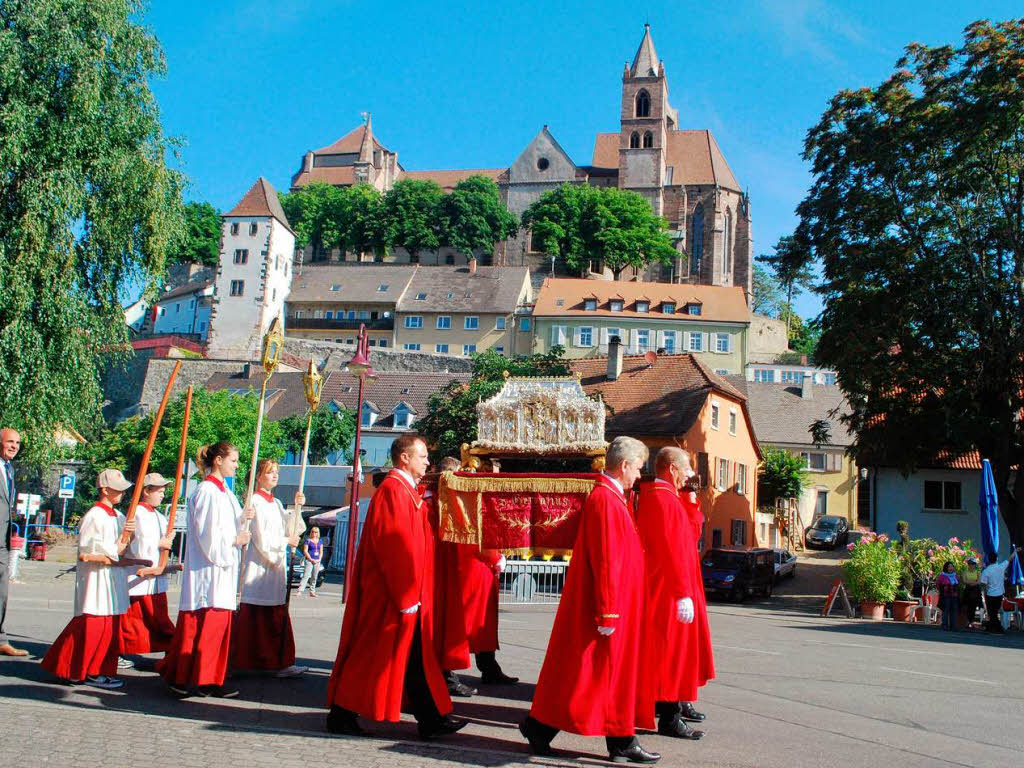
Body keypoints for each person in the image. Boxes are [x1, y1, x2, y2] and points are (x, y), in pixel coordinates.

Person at [521, 436, 659, 765]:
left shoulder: (610, 498)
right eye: (638, 468)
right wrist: (609, 612)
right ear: (624, 466)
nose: (639, 476)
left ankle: (549, 729)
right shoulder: (606, 500)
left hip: (614, 605)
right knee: (595, 675)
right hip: (610, 608)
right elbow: (608, 559)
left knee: (591, 676)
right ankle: (618, 739)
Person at [326, 434, 465, 740]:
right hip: (391, 595)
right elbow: (394, 546)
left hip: (405, 594)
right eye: (422, 456)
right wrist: (406, 595)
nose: (427, 461)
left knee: (413, 659)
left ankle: (432, 719)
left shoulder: (405, 491)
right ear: (405, 458)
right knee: (373, 656)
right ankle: (342, 712)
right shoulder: (393, 490)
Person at [157, 442, 252, 697]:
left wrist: (244, 517)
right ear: (218, 460)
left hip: (222, 571)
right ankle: (193, 677)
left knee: (217, 626)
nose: (236, 465)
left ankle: (209, 678)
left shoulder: (226, 493)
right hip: (209, 571)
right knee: (205, 625)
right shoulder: (207, 491)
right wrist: (235, 540)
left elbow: (227, 523)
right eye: (233, 460)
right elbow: (208, 534)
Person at [41, 470, 145, 688]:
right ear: (105, 490)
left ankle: (97, 670)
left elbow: (125, 549)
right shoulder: (93, 516)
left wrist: (131, 535)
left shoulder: (119, 516)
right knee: (92, 626)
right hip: (96, 579)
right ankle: (77, 669)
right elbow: (87, 551)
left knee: (109, 629)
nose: (123, 493)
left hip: (114, 580)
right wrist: (114, 550)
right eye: (118, 489)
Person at [430, 456, 518, 698]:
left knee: (482, 624)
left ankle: (488, 666)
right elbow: (474, 535)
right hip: (468, 569)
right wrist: (494, 557)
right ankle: (449, 673)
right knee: (460, 624)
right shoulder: (452, 501)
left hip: (472, 569)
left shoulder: (441, 499)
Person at [635, 447, 705, 740]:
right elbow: (671, 550)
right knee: (670, 655)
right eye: (685, 468)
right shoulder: (661, 499)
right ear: (672, 468)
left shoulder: (666, 497)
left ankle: (670, 710)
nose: (688, 474)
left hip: (671, 587)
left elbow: (687, 537)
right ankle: (669, 715)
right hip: (667, 590)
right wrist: (681, 591)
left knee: (672, 655)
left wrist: (690, 500)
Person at [232, 459, 306, 677]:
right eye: (270, 472)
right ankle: (247, 661)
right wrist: (284, 542)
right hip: (259, 566)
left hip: (276, 569)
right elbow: (262, 539)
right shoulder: (253, 502)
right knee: (256, 616)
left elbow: (293, 529)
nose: (275, 475)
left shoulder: (276, 503)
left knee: (275, 615)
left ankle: (279, 662)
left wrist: (297, 507)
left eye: (276, 472)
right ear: (258, 476)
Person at [118, 473, 180, 664]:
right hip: (137, 578)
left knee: (158, 620)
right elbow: (131, 545)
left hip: (155, 580)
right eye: (158, 491)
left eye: (163, 491)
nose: (162, 495)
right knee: (130, 622)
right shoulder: (134, 514)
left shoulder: (161, 517)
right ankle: (116, 650)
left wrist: (167, 545)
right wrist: (158, 545)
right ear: (146, 491)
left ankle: (172, 648)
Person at [677, 478, 715, 725]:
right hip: (684, 578)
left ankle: (681, 698)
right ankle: (677, 700)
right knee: (683, 647)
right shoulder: (677, 504)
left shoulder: (685, 505)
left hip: (691, 575)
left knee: (689, 646)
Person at [0, 427, 28, 657]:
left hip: (3, 538)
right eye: (10, 441)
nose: (14, 446)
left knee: (2, 590)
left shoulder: (8, 469)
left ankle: (1, 638)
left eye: (17, 443)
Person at [980, 548, 1020, 633]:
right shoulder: (1001, 567)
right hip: (999, 594)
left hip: (990, 594)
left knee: (992, 613)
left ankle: (997, 628)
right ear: (996, 559)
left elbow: (983, 584)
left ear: (988, 560)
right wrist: (1015, 551)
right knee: (994, 612)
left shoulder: (986, 571)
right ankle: (993, 628)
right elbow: (1010, 559)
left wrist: (986, 592)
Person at [297, 527, 323, 597]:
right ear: (311, 532)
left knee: (314, 576)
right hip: (309, 560)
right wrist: (311, 559)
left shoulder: (320, 541)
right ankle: (300, 590)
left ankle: (312, 591)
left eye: (316, 532)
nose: (314, 533)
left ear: (318, 533)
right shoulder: (308, 540)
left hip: (317, 561)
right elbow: (305, 551)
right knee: (306, 575)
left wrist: (319, 559)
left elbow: (321, 551)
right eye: (313, 532)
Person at [935, 561, 959, 632]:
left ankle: (953, 626)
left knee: (954, 611)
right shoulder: (942, 576)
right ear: (946, 568)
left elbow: (958, 585)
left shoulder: (955, 576)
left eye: (952, 566)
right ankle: (944, 625)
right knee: (945, 610)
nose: (951, 568)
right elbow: (938, 585)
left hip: (954, 596)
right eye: (949, 566)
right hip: (946, 596)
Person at [960, 557, 983, 627]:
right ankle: (967, 621)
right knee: (966, 606)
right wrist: (973, 582)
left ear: (975, 565)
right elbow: (964, 580)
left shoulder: (978, 572)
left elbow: (979, 581)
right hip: (968, 590)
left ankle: (972, 621)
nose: (971, 565)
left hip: (976, 590)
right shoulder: (965, 572)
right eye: (970, 564)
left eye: (973, 564)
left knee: (974, 606)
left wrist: (971, 582)